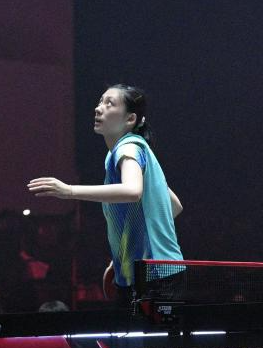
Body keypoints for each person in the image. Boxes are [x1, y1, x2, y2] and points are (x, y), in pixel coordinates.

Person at [28, 85, 185, 307]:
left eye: (109, 104)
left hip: (153, 277)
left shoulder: (128, 148)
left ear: (130, 119)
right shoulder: (134, 152)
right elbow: (174, 206)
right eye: (100, 101)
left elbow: (132, 191)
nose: (98, 108)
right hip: (156, 273)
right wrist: (125, 253)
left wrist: (69, 191)